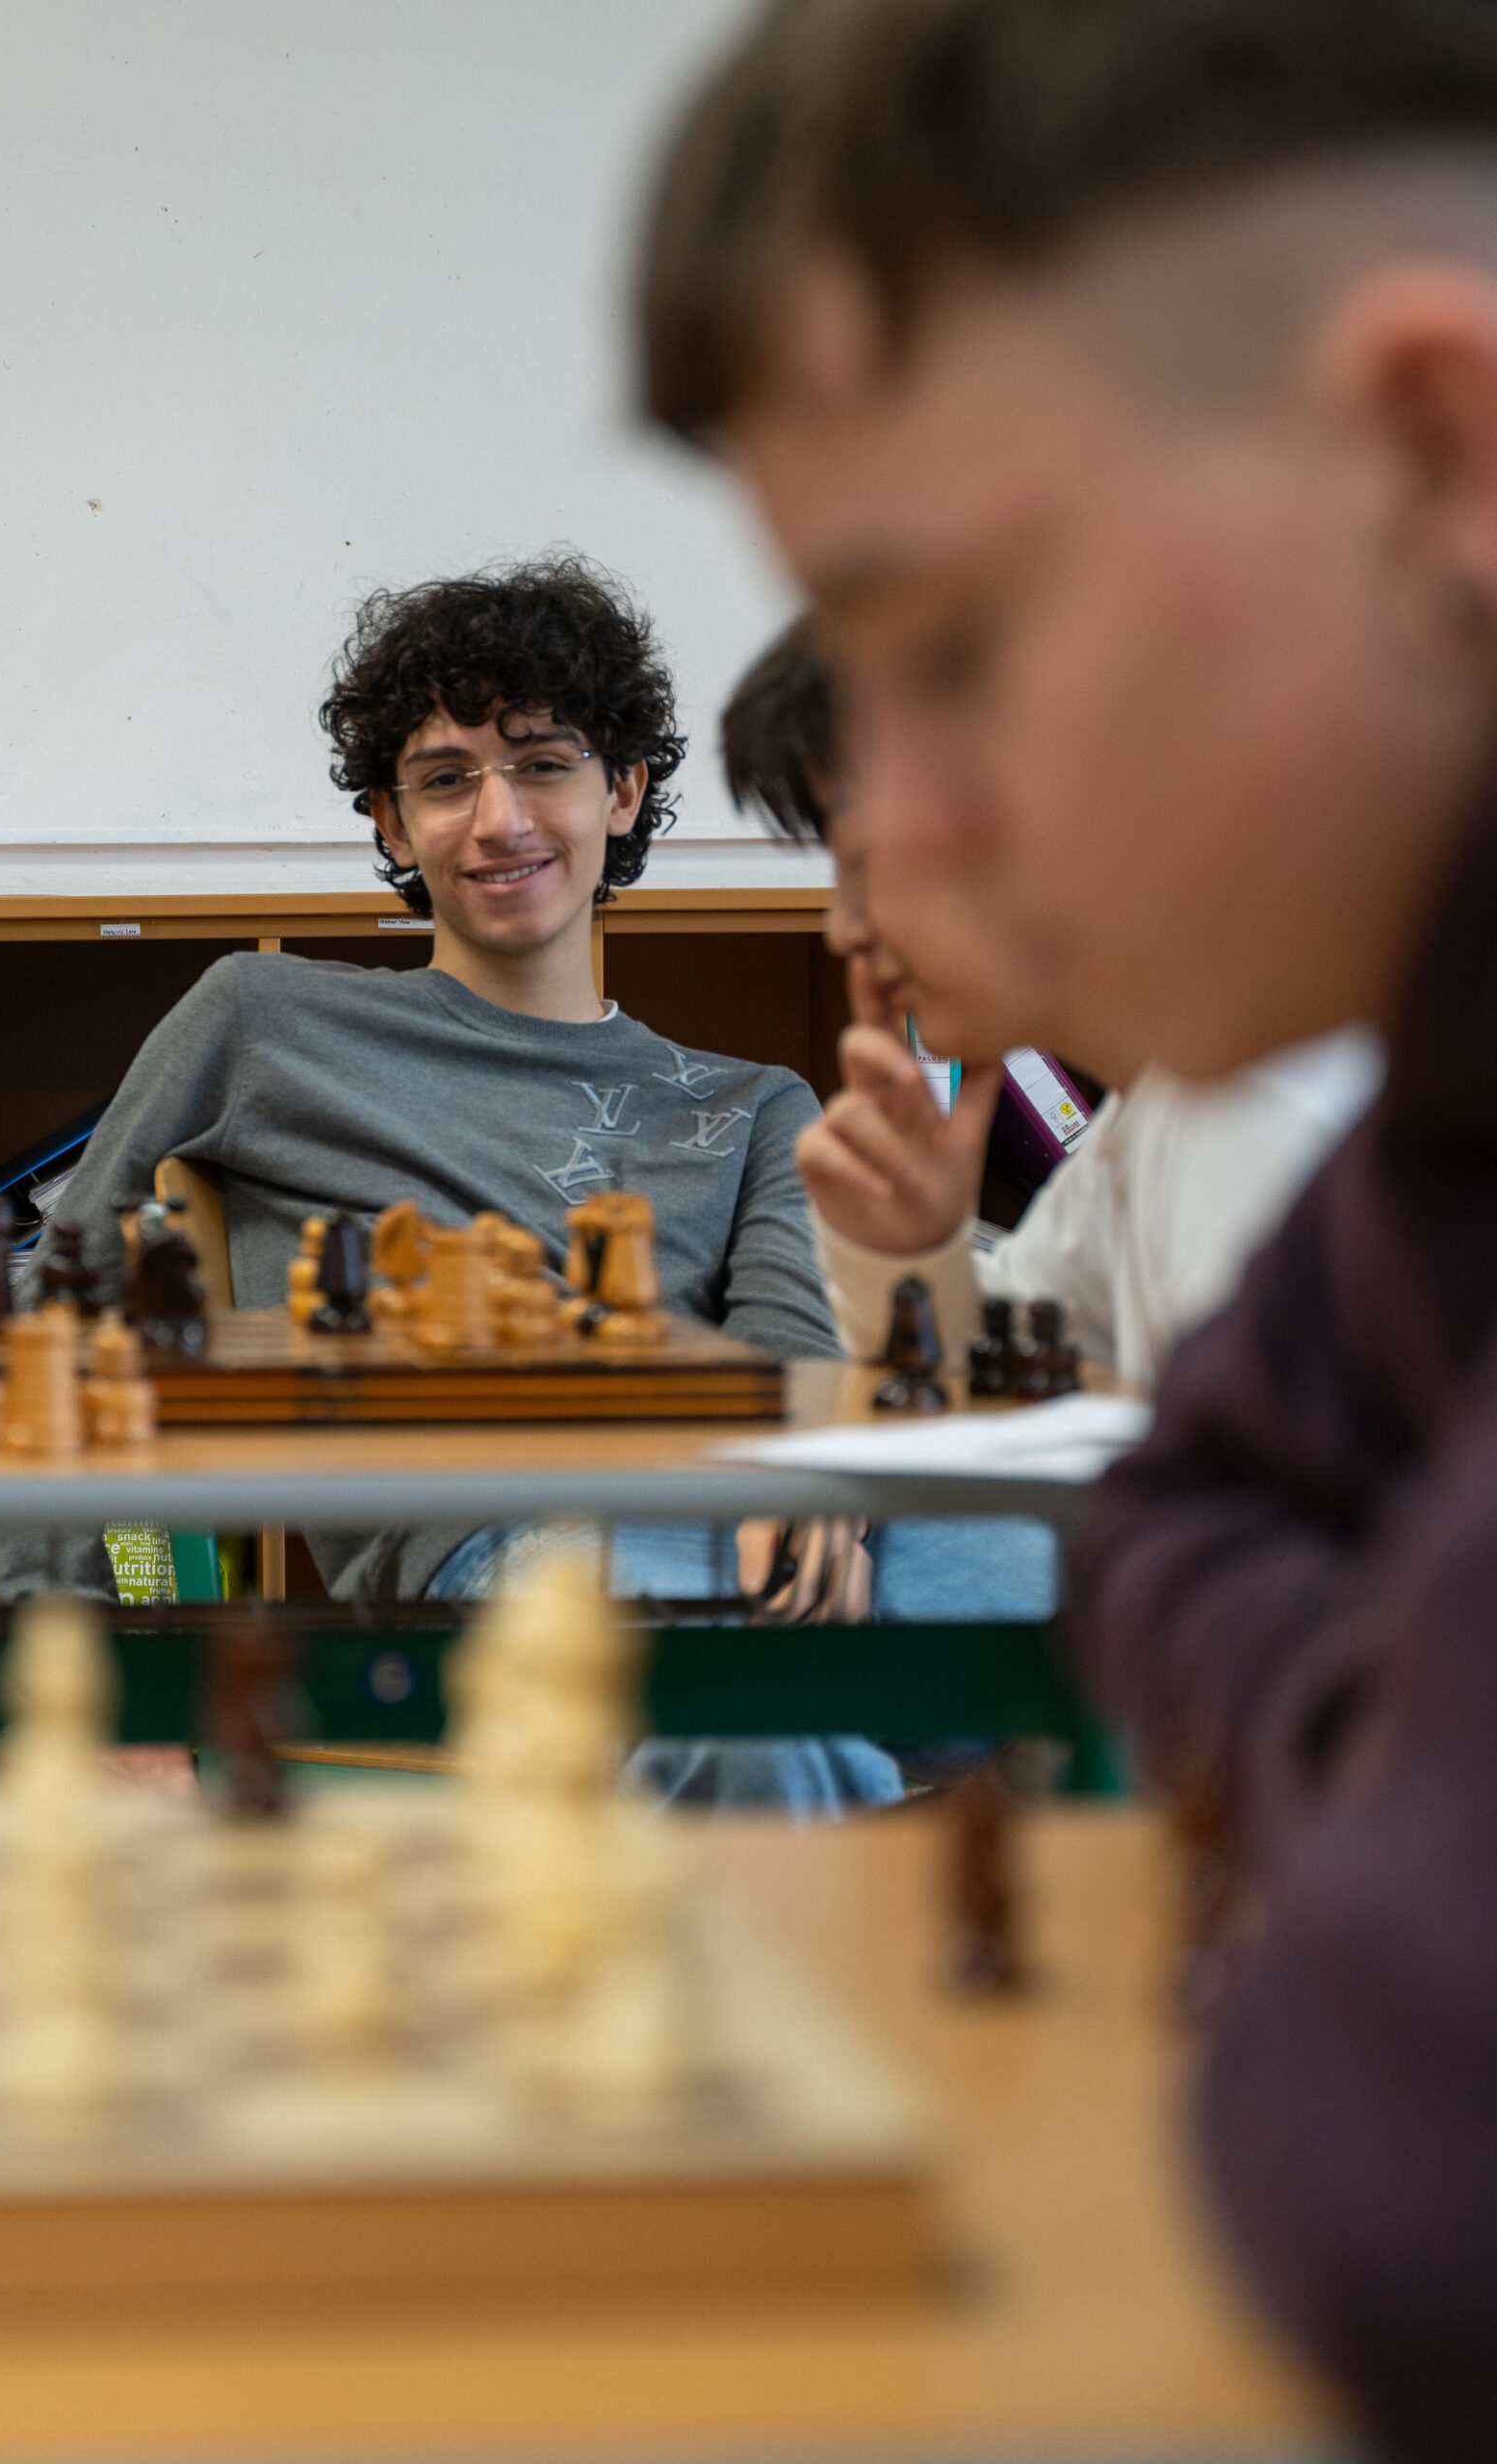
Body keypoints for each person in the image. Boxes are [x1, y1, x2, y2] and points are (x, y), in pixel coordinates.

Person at [641, 1, 1497, 2450]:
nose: (903, 842)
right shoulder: (1416, 1122)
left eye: (956, 646)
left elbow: (1403, 2178)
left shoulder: (1313, 1092)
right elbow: (1181, 1483)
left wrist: (1349, 1735)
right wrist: (1372, 1713)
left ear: (1435, 458)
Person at [0, 553, 896, 1812]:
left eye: (543, 763)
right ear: (389, 822)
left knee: (1091, 1609)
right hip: (508, 1542)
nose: (498, 819)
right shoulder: (262, 1022)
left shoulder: (754, 1104)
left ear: (624, 789)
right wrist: (86, 1661)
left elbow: (794, 1338)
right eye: (444, 779)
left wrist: (812, 1486)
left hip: (749, 1511)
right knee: (750, 1721)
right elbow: (56, 1313)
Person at [730, 620, 1381, 1393]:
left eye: (864, 866)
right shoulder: (1164, 1107)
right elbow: (1009, 1370)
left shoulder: (1263, 1115)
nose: (844, 930)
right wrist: (907, 1253)